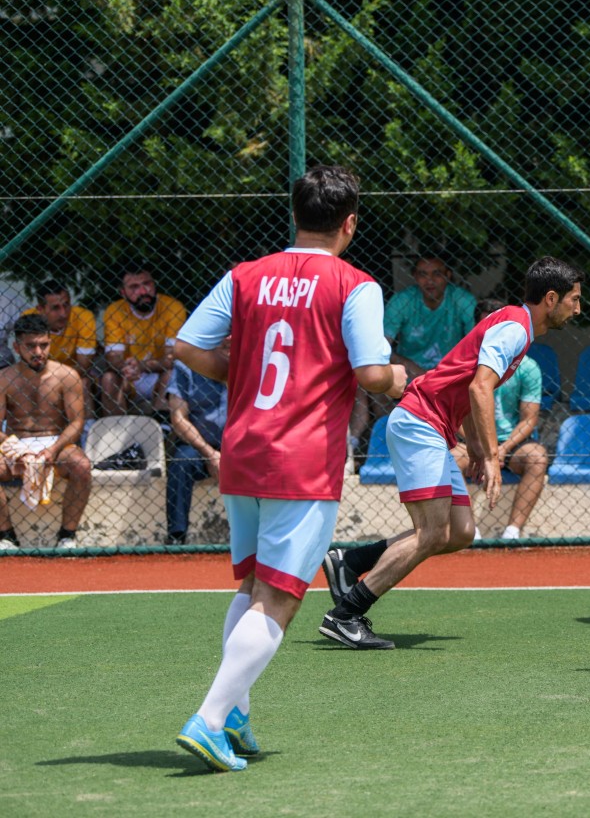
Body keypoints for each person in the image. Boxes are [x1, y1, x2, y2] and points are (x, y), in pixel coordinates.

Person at [171, 164, 407, 773]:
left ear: (295, 215)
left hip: (243, 449)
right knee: (278, 600)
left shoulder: (245, 276)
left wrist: (240, 372)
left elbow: (187, 346)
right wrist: (399, 377)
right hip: (301, 460)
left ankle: (238, 714)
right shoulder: (357, 285)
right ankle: (210, 719)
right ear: (349, 223)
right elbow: (371, 375)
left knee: (252, 588)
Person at [318, 257, 583, 650]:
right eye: (574, 300)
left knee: (459, 532)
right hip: (418, 422)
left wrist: (476, 446)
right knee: (432, 533)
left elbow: (468, 391)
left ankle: (352, 561)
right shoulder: (513, 327)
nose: (577, 309)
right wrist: (492, 456)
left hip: (432, 426)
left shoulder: (517, 327)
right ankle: (346, 615)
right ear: (550, 298)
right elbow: (480, 389)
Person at [348, 255, 477, 468]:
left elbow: (476, 347)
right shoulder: (403, 301)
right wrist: (410, 366)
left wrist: (448, 370)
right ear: (415, 278)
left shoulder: (463, 301)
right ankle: (372, 442)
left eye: (436, 274)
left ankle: (452, 440)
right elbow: (381, 346)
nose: (430, 281)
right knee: (370, 378)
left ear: (448, 276)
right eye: (423, 274)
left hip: (450, 372)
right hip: (409, 372)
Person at [451, 298, 549, 541]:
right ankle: (469, 530)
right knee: (448, 458)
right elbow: (455, 415)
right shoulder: (465, 362)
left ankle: (512, 532)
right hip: (473, 443)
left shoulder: (528, 367)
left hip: (511, 446)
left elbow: (529, 419)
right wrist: (480, 447)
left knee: (537, 457)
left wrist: (501, 448)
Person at [0, 314, 92, 550]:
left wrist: (53, 450)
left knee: (81, 466)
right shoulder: (4, 379)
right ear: (17, 347)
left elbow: (76, 422)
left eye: (44, 344)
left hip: (56, 443)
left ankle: (67, 535)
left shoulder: (67, 376)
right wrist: (19, 452)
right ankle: (7, 536)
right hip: (17, 444)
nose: (38, 351)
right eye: (30, 346)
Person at [163, 340, 230, 546]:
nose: (229, 339)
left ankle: (261, 536)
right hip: (200, 446)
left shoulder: (253, 364)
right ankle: (176, 536)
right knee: (181, 461)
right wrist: (209, 453)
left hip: (240, 445)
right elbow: (178, 418)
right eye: (224, 336)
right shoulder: (187, 367)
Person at [100, 264, 188, 416]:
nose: (143, 291)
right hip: (128, 375)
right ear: (123, 292)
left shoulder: (173, 307)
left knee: (172, 373)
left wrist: (141, 366)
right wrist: (126, 368)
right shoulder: (114, 311)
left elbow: (171, 358)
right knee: (109, 378)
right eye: (134, 287)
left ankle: (163, 428)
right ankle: (115, 432)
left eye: (147, 284)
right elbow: (113, 356)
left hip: (159, 374)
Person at [29, 282, 98, 416]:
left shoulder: (84, 317)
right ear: (40, 309)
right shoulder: (29, 319)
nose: (63, 313)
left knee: (82, 383)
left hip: (76, 375)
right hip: (43, 377)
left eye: (66, 305)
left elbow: (84, 366)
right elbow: (32, 365)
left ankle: (87, 431)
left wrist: (55, 378)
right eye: (55, 308)